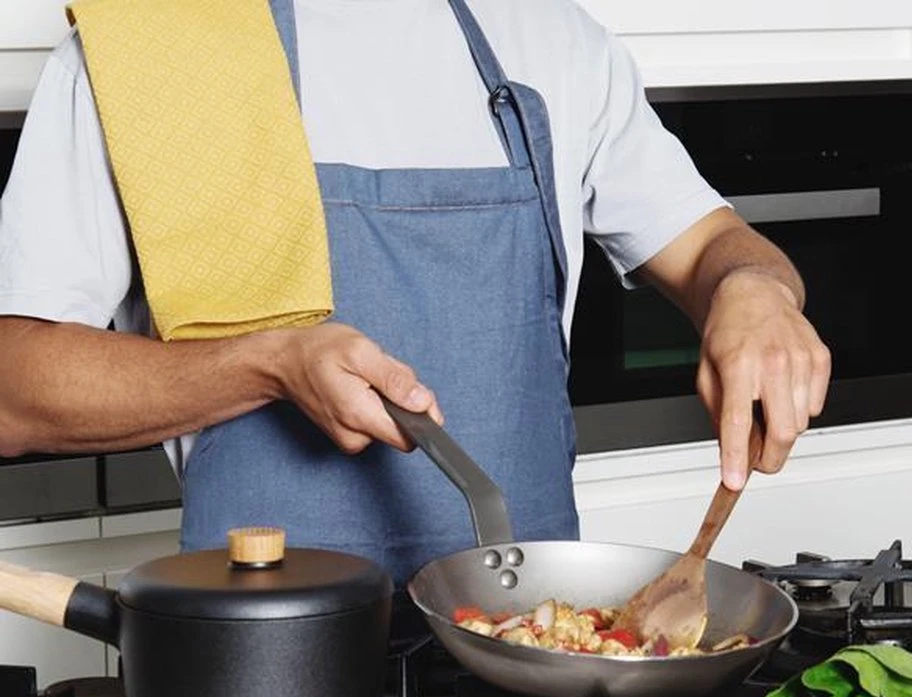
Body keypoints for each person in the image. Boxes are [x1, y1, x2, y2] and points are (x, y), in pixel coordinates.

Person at [0, 0, 830, 585]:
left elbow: (713, 247)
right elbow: (14, 392)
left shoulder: (553, 41)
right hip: (266, 667)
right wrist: (269, 364)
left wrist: (755, 290)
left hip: (534, 644)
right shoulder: (149, 47)